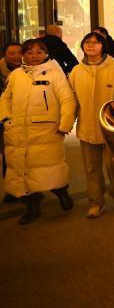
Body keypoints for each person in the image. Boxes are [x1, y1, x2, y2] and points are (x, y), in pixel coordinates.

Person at [0, 39, 76, 224]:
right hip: (17, 131)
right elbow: (5, 98)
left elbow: (67, 99)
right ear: (23, 55)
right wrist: (6, 118)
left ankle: (61, 192)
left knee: (49, 169)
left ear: (46, 54)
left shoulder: (55, 74)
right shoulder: (16, 75)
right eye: (29, 52)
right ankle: (32, 206)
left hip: (46, 131)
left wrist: (65, 124)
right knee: (22, 171)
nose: (34, 56)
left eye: (39, 52)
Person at [69, 32, 114, 218]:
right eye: (87, 42)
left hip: (110, 127)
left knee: (113, 164)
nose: (91, 45)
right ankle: (95, 202)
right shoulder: (77, 71)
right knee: (91, 167)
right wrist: (66, 123)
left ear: (103, 46)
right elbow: (71, 100)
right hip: (86, 127)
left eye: (95, 42)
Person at [0, 42, 23, 203]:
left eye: (19, 53)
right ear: (5, 55)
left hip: (25, 118)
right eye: (11, 53)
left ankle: (30, 189)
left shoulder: (30, 70)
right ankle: (12, 190)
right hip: (4, 119)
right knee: (9, 155)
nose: (16, 57)